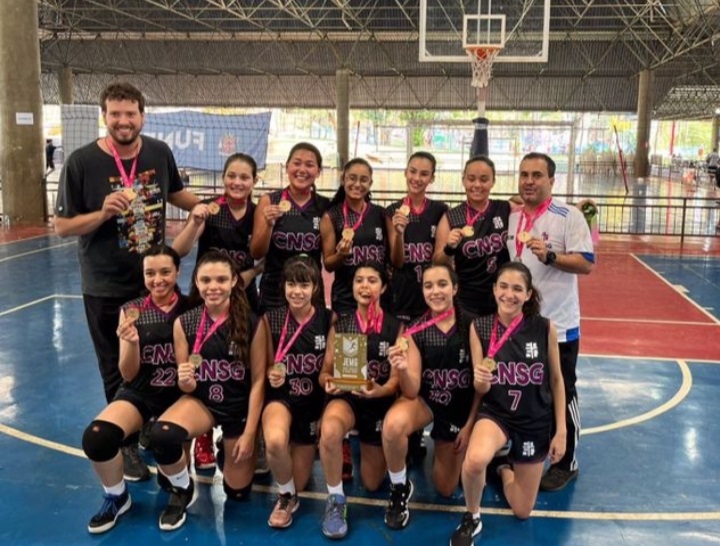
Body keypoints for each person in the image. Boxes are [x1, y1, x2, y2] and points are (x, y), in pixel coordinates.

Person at [54, 82, 198, 481]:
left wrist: (210, 205)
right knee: (116, 369)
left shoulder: (157, 152)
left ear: (142, 116)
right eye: (115, 114)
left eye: (130, 114)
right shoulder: (82, 163)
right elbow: (63, 226)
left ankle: (159, 430)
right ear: (105, 117)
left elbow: (179, 195)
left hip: (152, 283)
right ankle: (126, 445)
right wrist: (101, 213)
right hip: (105, 287)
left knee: (164, 361)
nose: (123, 121)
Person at [449, 262, 566, 546]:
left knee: (522, 511)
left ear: (528, 295)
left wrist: (561, 430)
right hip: (497, 413)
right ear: (494, 290)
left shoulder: (545, 327)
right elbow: (480, 389)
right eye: (503, 286)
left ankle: (503, 468)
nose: (509, 294)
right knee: (474, 461)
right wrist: (481, 380)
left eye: (517, 289)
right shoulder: (480, 326)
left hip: (534, 418)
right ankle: (472, 516)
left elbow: (557, 381)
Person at [149, 250, 266, 531]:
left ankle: (227, 449)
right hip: (202, 403)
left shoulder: (252, 322)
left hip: (237, 406)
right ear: (197, 283)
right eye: (206, 280)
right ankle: (182, 488)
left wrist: (251, 433)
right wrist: (186, 380)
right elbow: (184, 382)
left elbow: (259, 381)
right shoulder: (185, 322)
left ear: (234, 281)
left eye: (221, 279)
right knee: (161, 435)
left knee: (237, 493)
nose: (213, 287)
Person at [81, 245, 189, 534]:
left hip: (181, 393)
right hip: (142, 390)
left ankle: (180, 490)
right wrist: (131, 343)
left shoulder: (193, 308)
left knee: (163, 440)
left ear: (178, 272)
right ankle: (117, 496)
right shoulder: (131, 311)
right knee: (97, 437)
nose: (158, 280)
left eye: (165, 272)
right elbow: (127, 373)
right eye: (150, 273)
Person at [507, 152, 594, 492]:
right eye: (524, 174)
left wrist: (552, 256)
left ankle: (567, 462)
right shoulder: (512, 217)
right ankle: (524, 451)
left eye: (537, 175)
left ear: (551, 181)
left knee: (563, 389)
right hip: (520, 324)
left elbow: (586, 263)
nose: (529, 181)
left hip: (559, 323)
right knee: (526, 388)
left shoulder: (568, 216)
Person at [173, 152, 264, 471]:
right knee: (203, 364)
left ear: (255, 180)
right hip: (206, 297)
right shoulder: (210, 209)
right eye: (232, 176)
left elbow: (268, 256)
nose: (237, 182)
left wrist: (248, 276)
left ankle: (249, 432)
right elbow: (181, 250)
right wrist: (195, 221)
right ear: (223, 178)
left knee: (243, 366)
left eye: (245, 177)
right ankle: (202, 436)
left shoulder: (259, 212)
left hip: (242, 298)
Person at [382, 264, 479, 530]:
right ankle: (400, 487)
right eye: (428, 286)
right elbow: (412, 390)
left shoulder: (473, 326)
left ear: (455, 288)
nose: (435, 291)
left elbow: (482, 389)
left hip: (460, 410)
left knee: (445, 489)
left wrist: (471, 425)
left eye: (442, 284)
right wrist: (402, 369)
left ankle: (456, 448)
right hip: (428, 403)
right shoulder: (414, 330)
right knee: (392, 426)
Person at [317, 261, 402, 539]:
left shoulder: (395, 327)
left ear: (384, 286)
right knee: (329, 431)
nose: (365, 286)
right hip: (349, 401)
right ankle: (335, 499)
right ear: (351, 288)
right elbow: (325, 372)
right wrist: (329, 383)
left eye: (372, 280)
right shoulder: (341, 324)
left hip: (379, 404)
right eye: (359, 281)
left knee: (372, 482)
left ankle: (394, 452)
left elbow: (396, 383)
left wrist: (380, 390)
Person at [262, 256, 333, 529]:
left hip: (312, 404)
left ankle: (293, 484)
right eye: (291, 284)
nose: (297, 291)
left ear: (315, 287)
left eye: (304, 285)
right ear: (283, 287)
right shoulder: (272, 318)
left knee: (301, 479)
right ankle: (285, 496)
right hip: (282, 398)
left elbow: (334, 367)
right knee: (277, 442)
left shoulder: (328, 319)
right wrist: (271, 371)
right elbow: (265, 364)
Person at [251, 142, 330, 310]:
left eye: (309, 165)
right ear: (287, 167)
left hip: (310, 290)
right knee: (272, 336)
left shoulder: (325, 206)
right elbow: (256, 252)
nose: (302, 169)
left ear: (318, 171)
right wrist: (268, 225)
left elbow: (329, 260)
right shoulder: (269, 201)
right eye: (297, 163)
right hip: (274, 290)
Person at [434, 156, 511, 316]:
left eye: (484, 179)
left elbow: (532, 204)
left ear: (493, 181)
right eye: (471, 179)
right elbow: (437, 261)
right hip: (467, 302)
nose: (477, 185)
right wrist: (449, 248)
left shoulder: (505, 208)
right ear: (463, 180)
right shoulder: (451, 217)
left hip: (503, 297)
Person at [386, 152, 448, 323]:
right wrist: (399, 234)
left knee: (429, 346)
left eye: (424, 174)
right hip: (402, 297)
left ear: (432, 178)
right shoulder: (392, 211)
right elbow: (397, 262)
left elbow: (443, 258)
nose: (417, 178)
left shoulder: (441, 210)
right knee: (400, 346)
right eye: (412, 171)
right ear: (405, 172)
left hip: (431, 294)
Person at [321, 158, 389, 315]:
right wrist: (341, 255)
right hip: (346, 298)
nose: (357, 184)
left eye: (364, 180)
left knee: (376, 339)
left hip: (376, 296)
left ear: (371, 183)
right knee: (349, 340)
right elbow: (328, 264)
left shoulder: (381, 213)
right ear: (343, 179)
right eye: (352, 178)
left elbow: (393, 258)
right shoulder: (331, 216)